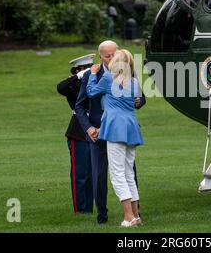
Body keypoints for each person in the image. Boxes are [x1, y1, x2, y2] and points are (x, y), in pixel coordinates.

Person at [75, 40, 145, 224]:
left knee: (118, 174)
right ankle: (128, 216)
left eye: (115, 55)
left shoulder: (105, 77)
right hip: (128, 128)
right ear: (101, 57)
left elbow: (91, 92)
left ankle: (129, 216)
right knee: (124, 173)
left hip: (112, 129)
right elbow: (80, 106)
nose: (112, 58)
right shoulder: (133, 79)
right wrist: (89, 128)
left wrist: (92, 75)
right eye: (109, 55)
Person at [56, 54, 94, 214]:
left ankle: (90, 207)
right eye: (84, 70)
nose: (88, 72)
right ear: (77, 70)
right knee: (80, 173)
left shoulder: (95, 81)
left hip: (95, 129)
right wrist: (77, 76)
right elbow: (60, 87)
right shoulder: (73, 85)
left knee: (93, 173)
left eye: (88, 69)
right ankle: (81, 209)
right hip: (78, 130)